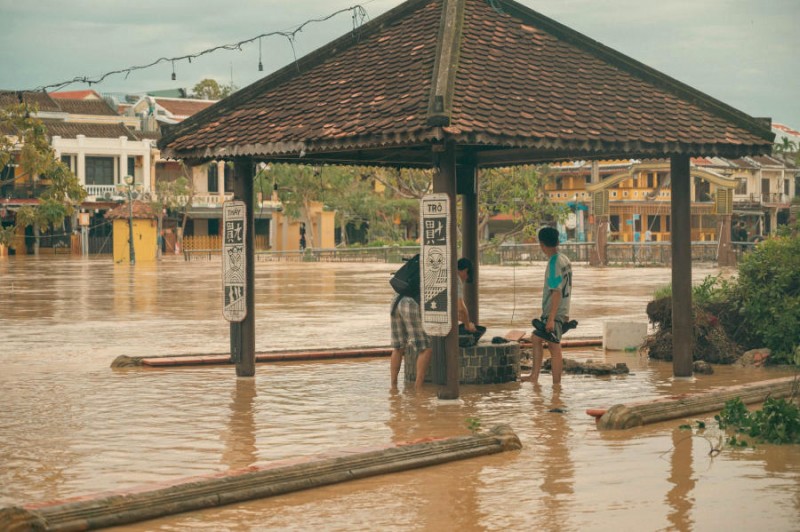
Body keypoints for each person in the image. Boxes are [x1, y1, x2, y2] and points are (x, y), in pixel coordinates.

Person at [527, 226, 573, 386]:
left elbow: (556, 292)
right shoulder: (564, 259)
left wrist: (551, 318)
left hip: (553, 311)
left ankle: (556, 386)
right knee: (536, 338)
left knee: (554, 347)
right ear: (557, 241)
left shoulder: (553, 264)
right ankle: (535, 377)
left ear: (541, 244)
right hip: (562, 309)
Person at [390, 292, 432, 391]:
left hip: (396, 300)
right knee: (426, 349)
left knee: (398, 347)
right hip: (411, 301)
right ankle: (418, 388)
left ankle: (393, 387)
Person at [457, 257, 477, 333]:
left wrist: (464, 320)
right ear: (465, 271)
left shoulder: (449, 275)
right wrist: (467, 326)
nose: (465, 279)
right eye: (468, 276)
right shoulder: (456, 279)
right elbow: (461, 308)